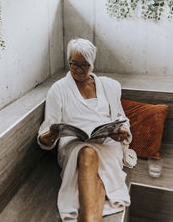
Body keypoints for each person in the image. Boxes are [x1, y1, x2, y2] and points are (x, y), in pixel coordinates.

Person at [37, 38, 137, 222]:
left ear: (92, 63)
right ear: (68, 62)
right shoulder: (58, 90)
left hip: (107, 144)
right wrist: (52, 134)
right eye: (73, 64)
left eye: (85, 65)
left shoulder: (109, 86)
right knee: (88, 153)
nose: (78, 70)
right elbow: (45, 135)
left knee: (98, 182)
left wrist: (121, 131)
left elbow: (122, 119)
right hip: (74, 146)